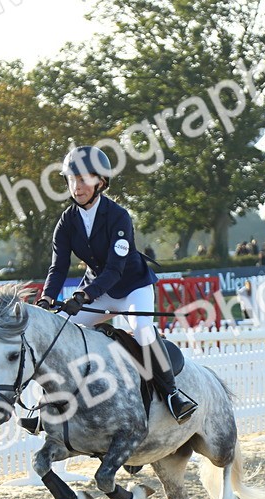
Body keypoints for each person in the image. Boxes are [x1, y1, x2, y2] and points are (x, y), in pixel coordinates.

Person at [37, 145, 197, 421]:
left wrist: (85, 296)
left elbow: (114, 270)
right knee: (59, 331)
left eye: (85, 179)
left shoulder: (118, 216)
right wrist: (46, 299)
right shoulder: (66, 221)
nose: (77, 186)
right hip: (97, 291)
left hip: (131, 287)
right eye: (72, 179)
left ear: (101, 182)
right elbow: (58, 266)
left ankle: (172, 393)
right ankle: (49, 404)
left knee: (143, 330)